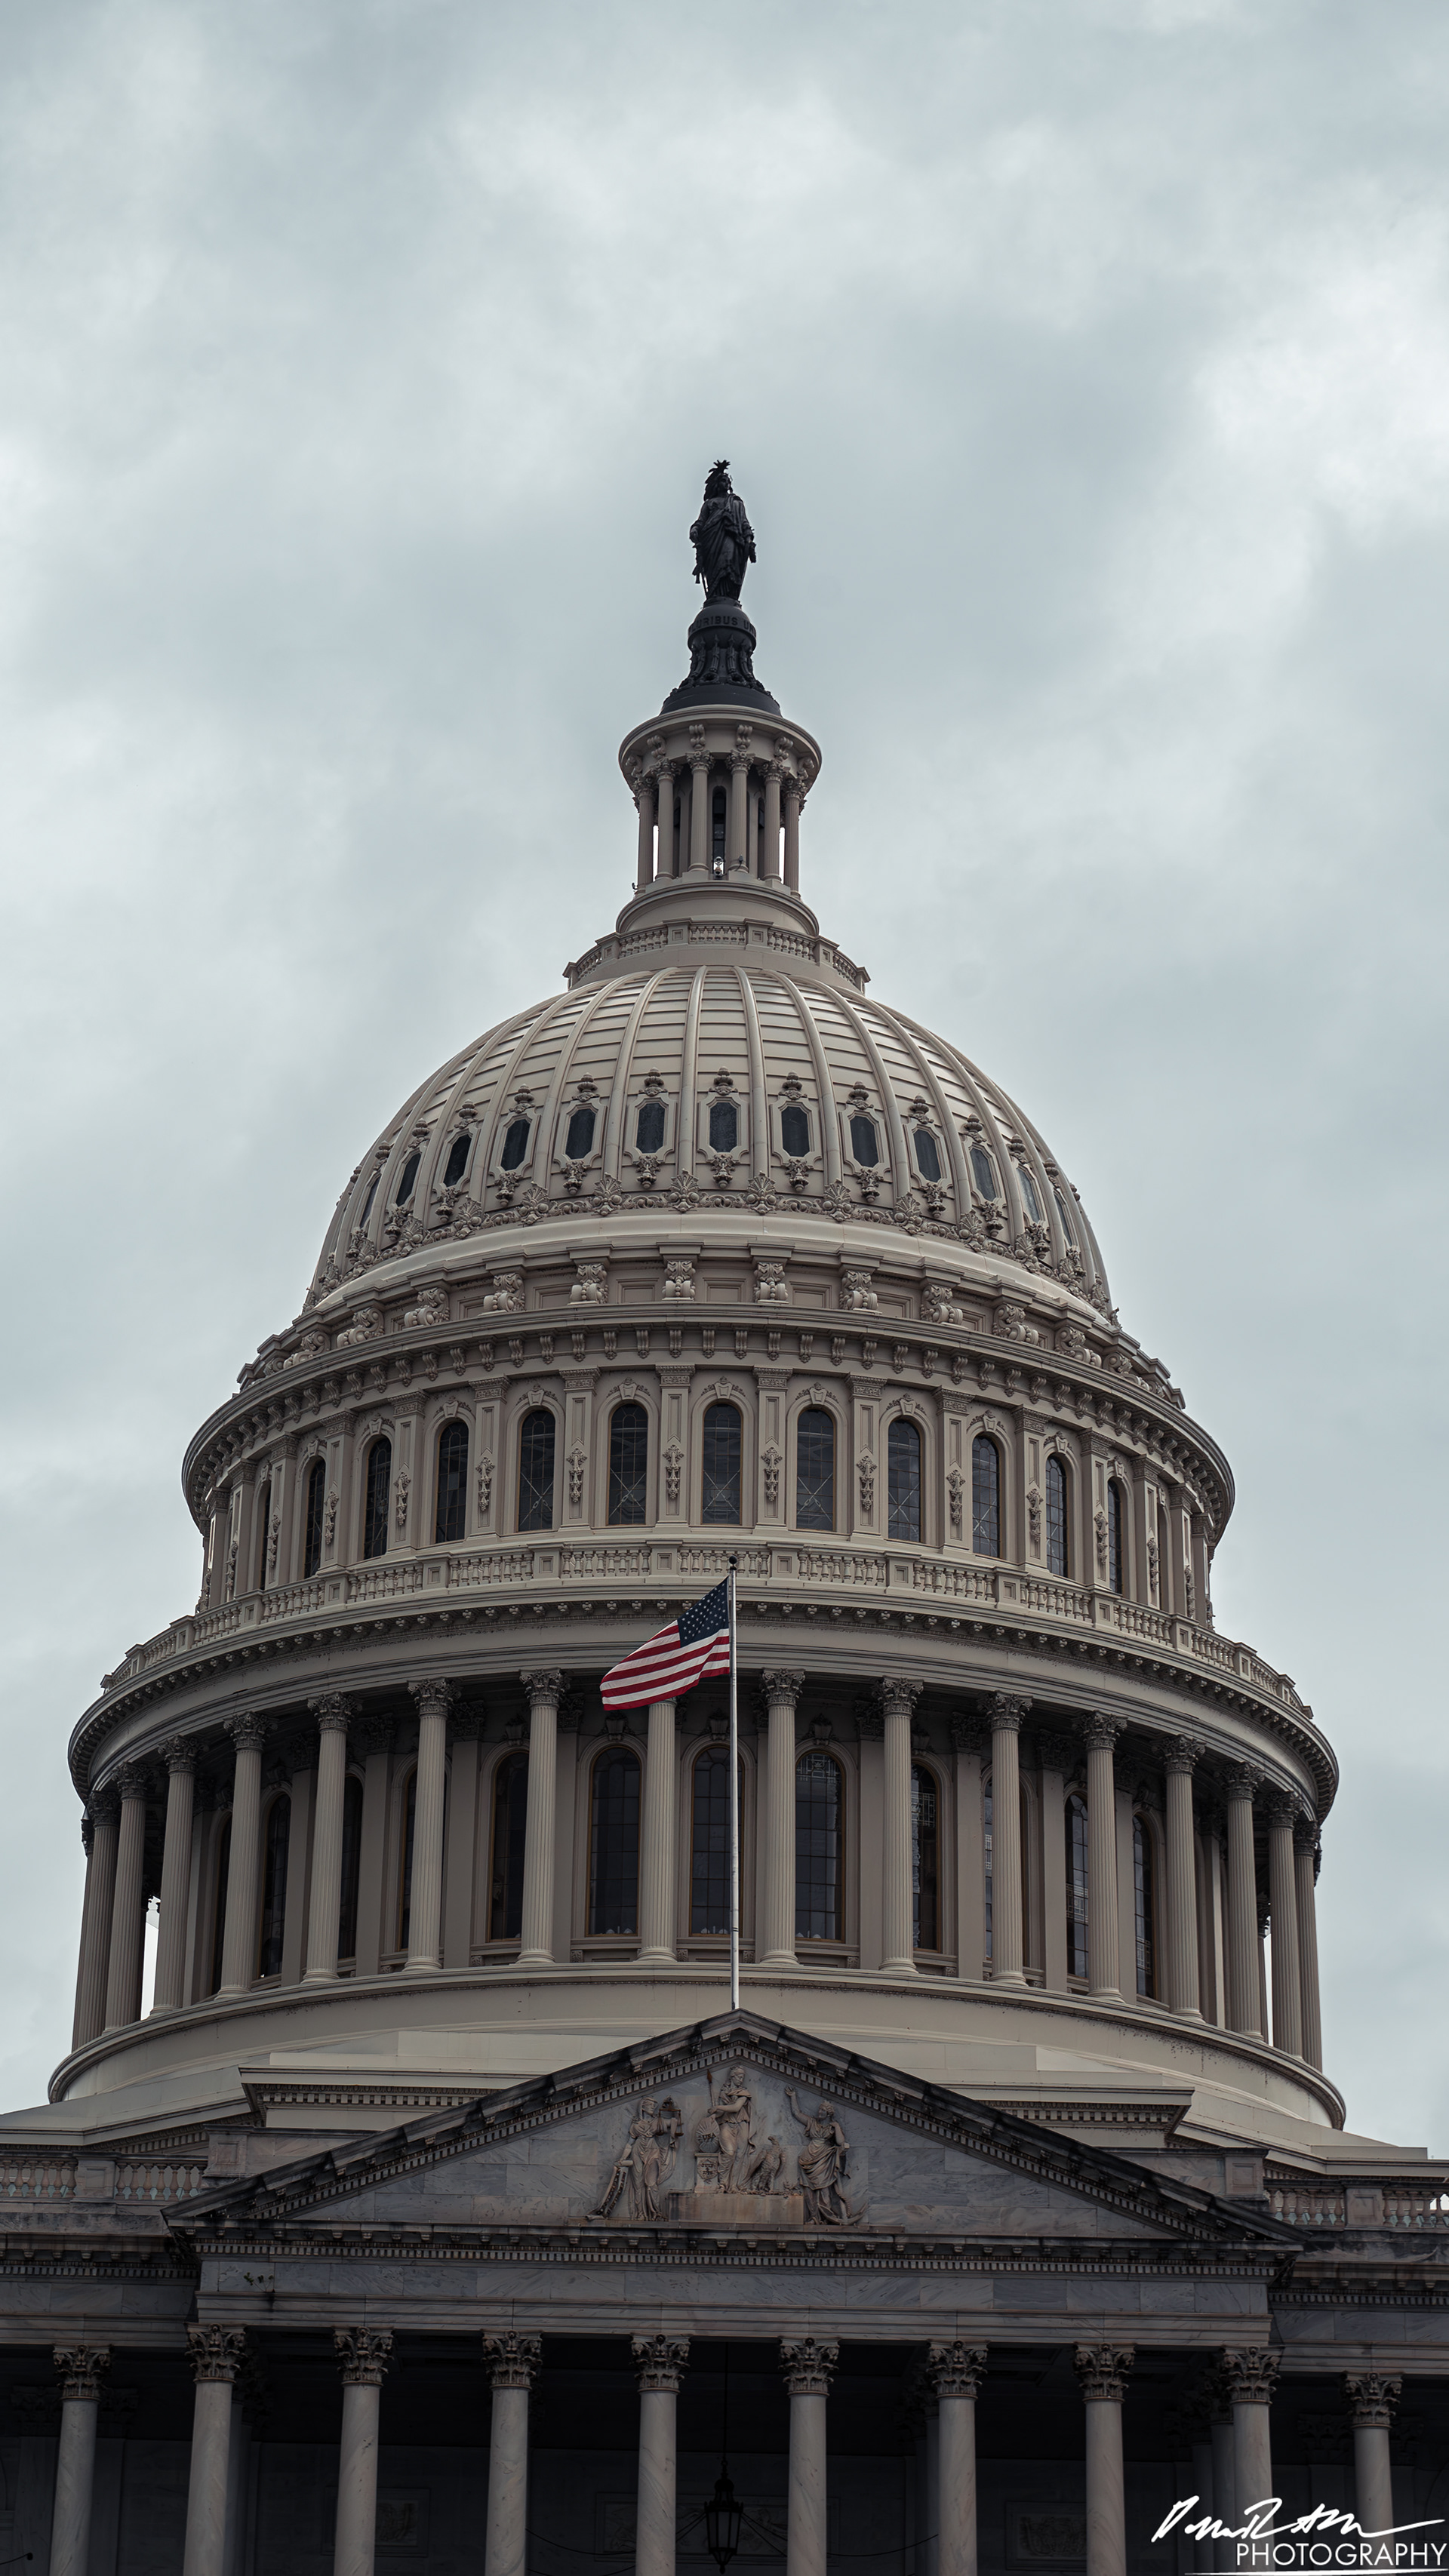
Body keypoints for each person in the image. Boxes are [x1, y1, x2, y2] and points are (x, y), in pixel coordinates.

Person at [786, 2090, 854, 2224]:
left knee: (824, 2190)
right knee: (809, 2190)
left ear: (828, 2114)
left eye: (823, 2111)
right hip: (808, 2159)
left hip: (824, 2159)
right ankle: (813, 2217)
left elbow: (841, 2142)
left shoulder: (831, 2128)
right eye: (819, 2110)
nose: (819, 2113)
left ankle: (826, 2215)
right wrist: (793, 2096)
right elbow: (797, 2113)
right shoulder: (812, 2122)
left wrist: (837, 2127)